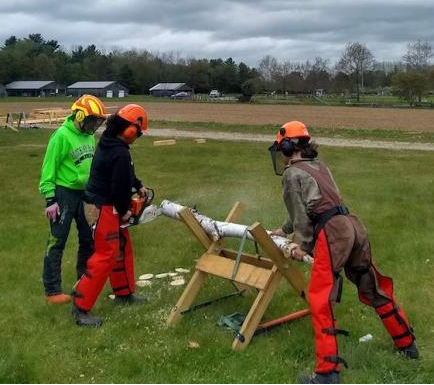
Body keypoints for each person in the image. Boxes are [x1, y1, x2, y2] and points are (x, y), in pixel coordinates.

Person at [268, 121, 419, 385]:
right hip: (351, 225)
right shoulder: (319, 166)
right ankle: (407, 343)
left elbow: (303, 216)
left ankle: (326, 374)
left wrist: (300, 245)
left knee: (319, 297)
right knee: (371, 285)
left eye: (282, 148)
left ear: (288, 146)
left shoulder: (293, 174)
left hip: (332, 233)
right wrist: (283, 230)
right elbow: (317, 204)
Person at [72, 104, 148, 328]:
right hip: (102, 206)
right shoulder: (119, 151)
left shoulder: (110, 141)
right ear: (130, 130)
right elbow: (118, 188)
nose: (137, 137)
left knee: (122, 247)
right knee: (106, 254)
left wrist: (138, 185)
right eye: (138, 133)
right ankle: (80, 308)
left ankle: (124, 293)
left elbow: (124, 175)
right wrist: (124, 211)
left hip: (104, 202)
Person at [39, 95, 106, 305]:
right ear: (79, 116)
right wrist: (50, 198)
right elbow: (48, 168)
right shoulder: (61, 136)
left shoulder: (88, 136)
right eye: (92, 120)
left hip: (85, 194)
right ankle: (52, 290)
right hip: (63, 194)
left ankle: (82, 283)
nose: (94, 125)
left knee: (88, 239)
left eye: (98, 121)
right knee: (57, 241)